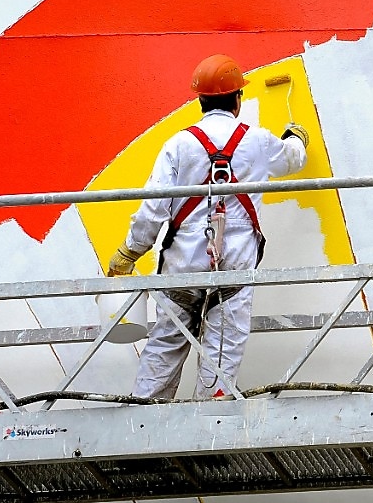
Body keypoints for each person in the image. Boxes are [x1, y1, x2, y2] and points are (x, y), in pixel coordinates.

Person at [106, 53, 308, 399]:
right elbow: (292, 159)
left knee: (165, 346)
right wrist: (295, 137)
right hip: (232, 270)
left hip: (182, 268)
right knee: (221, 357)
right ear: (238, 100)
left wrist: (128, 254)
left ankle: (141, 424)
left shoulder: (179, 145)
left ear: (199, 100)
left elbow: (153, 210)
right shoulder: (257, 141)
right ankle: (209, 428)